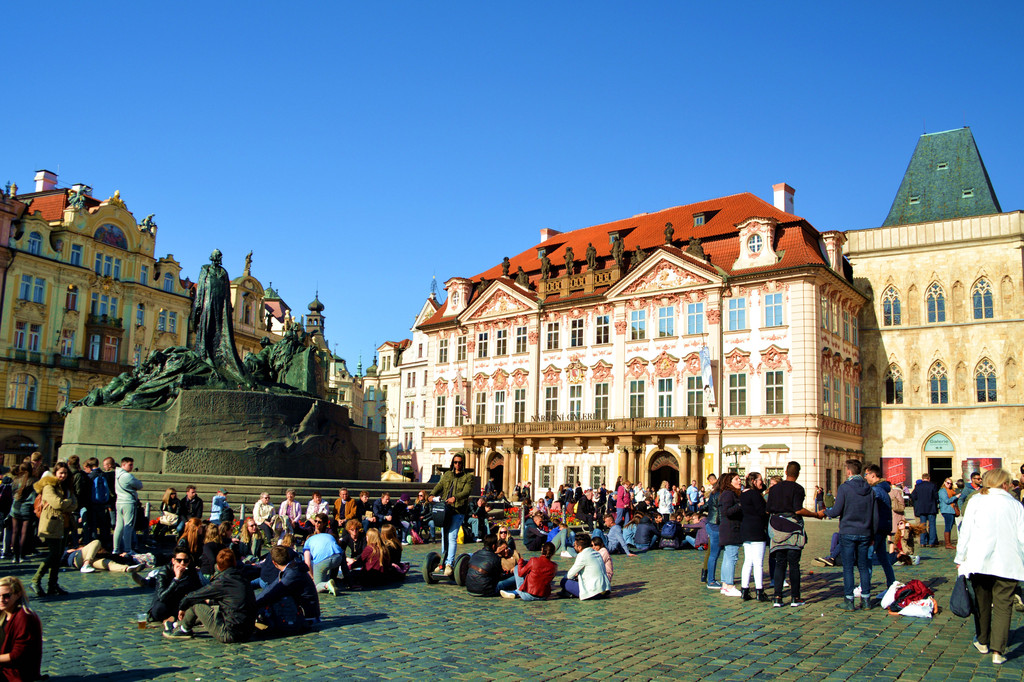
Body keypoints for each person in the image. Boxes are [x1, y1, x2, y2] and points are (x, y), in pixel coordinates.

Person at [954, 468, 1024, 666]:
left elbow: (965, 531)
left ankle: (983, 640)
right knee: (1004, 607)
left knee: (982, 603)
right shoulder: (1015, 505)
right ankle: (997, 651)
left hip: (979, 561)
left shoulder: (976, 501)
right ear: (1005, 483)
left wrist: (960, 557)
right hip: (1008, 563)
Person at [166, 548, 257, 643]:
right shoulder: (243, 578)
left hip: (230, 633)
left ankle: (183, 629)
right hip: (248, 631)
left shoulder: (222, 581)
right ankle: (179, 624)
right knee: (212, 606)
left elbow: (193, 596)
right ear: (234, 563)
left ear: (218, 566)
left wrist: (182, 607)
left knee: (196, 605)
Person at [820, 459, 877, 610]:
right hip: (865, 532)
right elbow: (874, 514)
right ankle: (866, 600)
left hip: (848, 531)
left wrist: (825, 512)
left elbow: (837, 511)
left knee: (848, 567)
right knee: (864, 567)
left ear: (849, 471)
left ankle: (849, 600)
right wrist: (873, 535)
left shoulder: (845, 488)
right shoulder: (870, 489)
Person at [766, 461, 816, 607]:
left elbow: (768, 510)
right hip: (793, 528)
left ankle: (777, 597)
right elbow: (798, 510)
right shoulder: (798, 489)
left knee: (780, 563)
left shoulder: (774, 489)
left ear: (786, 472)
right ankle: (795, 597)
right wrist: (815, 514)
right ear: (798, 473)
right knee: (794, 564)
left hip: (776, 527)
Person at [31, 463, 76, 598]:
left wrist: (66, 503)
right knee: (53, 554)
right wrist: (67, 503)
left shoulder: (67, 487)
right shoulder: (49, 486)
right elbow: (57, 503)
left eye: (65, 473)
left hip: (64, 525)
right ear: (55, 473)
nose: (63, 475)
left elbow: (75, 504)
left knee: (57, 557)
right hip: (51, 525)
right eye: (60, 473)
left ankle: (52, 585)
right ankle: (35, 580)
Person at [428, 454, 473, 577]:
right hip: (446, 510)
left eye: (460, 463)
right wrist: (431, 495)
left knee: (452, 536)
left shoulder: (468, 477)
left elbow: (467, 491)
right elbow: (439, 486)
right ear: (452, 463)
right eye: (455, 462)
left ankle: (449, 564)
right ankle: (443, 561)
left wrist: (455, 497)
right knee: (444, 536)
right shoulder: (447, 475)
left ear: (463, 464)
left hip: (458, 510)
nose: (457, 465)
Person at [137, 548, 203, 632]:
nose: (182, 563)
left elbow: (197, 590)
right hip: (165, 604)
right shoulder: (164, 572)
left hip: (180, 605)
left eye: (185, 561)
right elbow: (162, 596)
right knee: (159, 608)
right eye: (179, 560)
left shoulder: (191, 572)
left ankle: (172, 619)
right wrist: (176, 579)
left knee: (194, 608)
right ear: (173, 561)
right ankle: (172, 619)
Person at [255, 545, 320, 630]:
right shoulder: (291, 569)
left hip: (308, 614)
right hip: (305, 608)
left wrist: (254, 605)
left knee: (276, 598)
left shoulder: (292, 573)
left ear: (274, 563)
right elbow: (271, 588)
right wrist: (254, 603)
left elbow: (275, 591)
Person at [0, 576, 42, 681]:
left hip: (15, 673)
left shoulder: (24, 617)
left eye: (6, 596)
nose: (1, 600)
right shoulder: (3, 612)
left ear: (18, 595)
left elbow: (17, 655)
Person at [863, 465, 896, 591]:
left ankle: (864, 587)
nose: (865, 477)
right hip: (884, 527)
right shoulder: (883, 489)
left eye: (866, 474)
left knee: (868, 557)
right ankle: (891, 582)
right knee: (883, 558)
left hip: (877, 528)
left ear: (873, 475)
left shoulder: (876, 490)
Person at [739, 472, 769, 602]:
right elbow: (762, 511)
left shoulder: (743, 494)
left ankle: (744, 589)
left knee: (747, 562)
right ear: (754, 481)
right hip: (756, 529)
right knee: (758, 563)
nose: (761, 482)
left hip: (746, 529)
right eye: (760, 480)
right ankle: (759, 590)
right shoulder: (755, 494)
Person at [303, 513, 349, 595]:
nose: (317, 524)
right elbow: (341, 552)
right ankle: (335, 580)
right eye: (315, 521)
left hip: (322, 560)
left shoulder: (308, 542)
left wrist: (312, 577)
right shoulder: (328, 535)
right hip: (338, 557)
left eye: (319, 522)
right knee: (334, 560)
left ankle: (326, 585)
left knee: (316, 586)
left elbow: (307, 563)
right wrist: (348, 578)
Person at [560, 534, 610, 600]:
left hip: (593, 593)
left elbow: (569, 575)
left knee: (564, 581)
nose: (574, 547)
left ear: (579, 547)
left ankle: (569, 593)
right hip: (605, 590)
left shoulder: (582, 555)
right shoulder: (597, 553)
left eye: (574, 545)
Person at [717, 473, 743, 597]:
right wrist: (740, 505)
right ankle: (729, 584)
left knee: (728, 557)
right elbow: (727, 512)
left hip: (729, 528)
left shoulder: (729, 493)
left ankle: (725, 585)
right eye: (736, 479)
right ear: (729, 482)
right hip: (731, 529)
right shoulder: (729, 494)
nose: (740, 481)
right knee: (731, 557)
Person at [113, 457, 142, 554]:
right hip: (128, 502)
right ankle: (128, 549)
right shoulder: (127, 476)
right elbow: (139, 485)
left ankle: (116, 549)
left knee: (119, 526)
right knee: (128, 526)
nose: (132, 467)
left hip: (119, 501)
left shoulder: (116, 474)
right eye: (130, 464)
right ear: (123, 464)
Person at [910, 474, 939, 547]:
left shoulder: (918, 486)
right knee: (932, 526)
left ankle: (923, 542)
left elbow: (913, 496)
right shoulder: (933, 485)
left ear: (922, 479)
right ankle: (931, 542)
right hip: (931, 508)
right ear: (929, 478)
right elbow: (936, 496)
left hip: (921, 508)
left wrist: (918, 502)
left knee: (922, 525)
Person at [704, 474, 722, 588]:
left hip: (711, 523)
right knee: (714, 554)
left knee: (712, 553)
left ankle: (706, 576)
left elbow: (706, 506)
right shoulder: (720, 494)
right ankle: (710, 580)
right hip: (716, 525)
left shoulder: (714, 493)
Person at [938, 477, 960, 549]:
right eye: (948, 483)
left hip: (951, 510)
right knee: (948, 526)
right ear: (944, 483)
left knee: (950, 526)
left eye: (951, 483)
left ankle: (948, 543)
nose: (949, 485)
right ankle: (948, 544)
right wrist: (956, 497)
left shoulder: (951, 490)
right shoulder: (942, 491)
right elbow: (947, 501)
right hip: (947, 510)